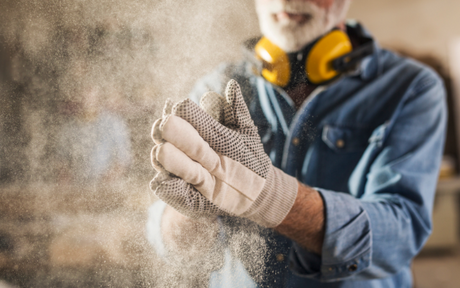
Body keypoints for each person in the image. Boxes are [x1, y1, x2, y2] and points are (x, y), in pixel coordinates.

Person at [147, 0, 447, 287]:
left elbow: (400, 237)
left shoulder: (411, 87)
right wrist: (192, 214)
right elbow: (166, 239)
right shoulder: (218, 86)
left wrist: (269, 196)